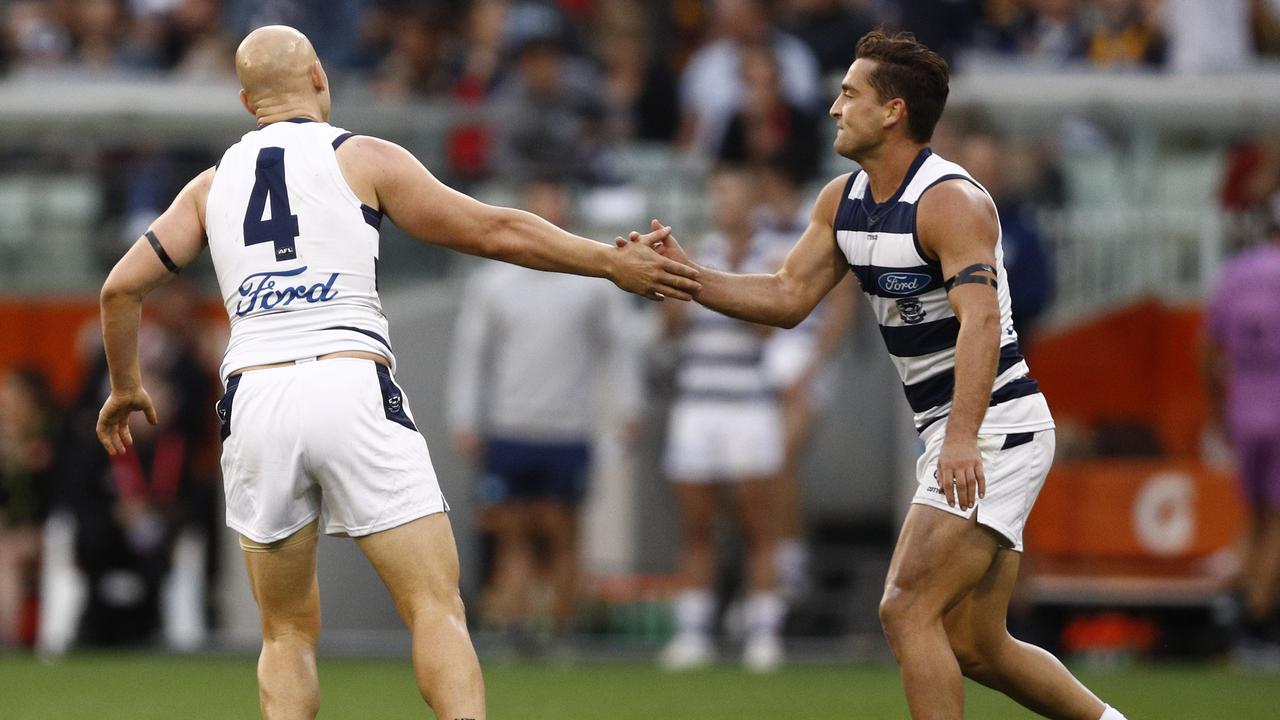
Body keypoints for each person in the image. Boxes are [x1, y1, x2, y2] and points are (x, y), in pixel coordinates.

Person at [93, 25, 697, 720]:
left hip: (255, 396)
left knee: (285, 631)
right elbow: (492, 229)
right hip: (349, 381)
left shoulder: (209, 186)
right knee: (434, 605)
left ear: (244, 100)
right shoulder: (361, 156)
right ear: (322, 78)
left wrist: (126, 385)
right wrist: (607, 261)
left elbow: (119, 289)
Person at [632, 30, 1127, 720]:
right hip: (966, 435)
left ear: (892, 111)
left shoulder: (951, 201)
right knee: (979, 646)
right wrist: (685, 276)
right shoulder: (843, 201)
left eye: (849, 94)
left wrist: (958, 438)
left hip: (994, 430)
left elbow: (982, 324)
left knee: (904, 608)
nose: (835, 108)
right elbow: (785, 297)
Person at [446, 179, 642, 649]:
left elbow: (619, 346)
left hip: (567, 426)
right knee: (510, 532)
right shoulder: (493, 283)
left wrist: (627, 407)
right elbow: (473, 353)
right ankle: (512, 628)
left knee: (562, 532)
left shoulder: (593, 282)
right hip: (511, 425)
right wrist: (466, 416)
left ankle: (561, 629)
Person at [658, 166, 786, 673]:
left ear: (752, 198)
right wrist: (673, 283)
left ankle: (763, 634)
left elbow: (766, 328)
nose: (722, 201)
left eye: (731, 190)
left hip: (750, 407)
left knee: (758, 525)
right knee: (696, 527)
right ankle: (692, 634)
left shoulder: (769, 261)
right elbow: (670, 329)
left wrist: (718, 286)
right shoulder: (696, 253)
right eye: (717, 192)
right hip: (697, 405)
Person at [1204, 223, 1280, 664]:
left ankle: (1237, 603)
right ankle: (1256, 621)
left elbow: (1208, 350)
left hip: (1244, 407)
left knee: (1255, 515)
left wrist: (1217, 411)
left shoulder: (1237, 272)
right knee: (1277, 520)